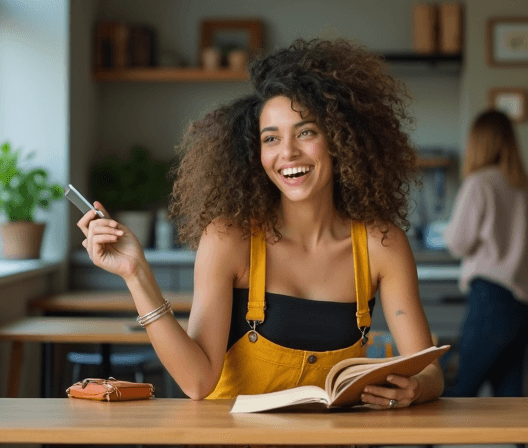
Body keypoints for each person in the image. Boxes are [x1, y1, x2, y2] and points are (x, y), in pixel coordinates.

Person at [76, 38, 443, 408]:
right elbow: (198, 382)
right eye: (271, 138)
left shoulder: (382, 245)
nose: (288, 153)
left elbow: (429, 370)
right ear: (257, 153)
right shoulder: (228, 239)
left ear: (340, 139)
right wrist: (136, 273)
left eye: (306, 132)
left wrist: (417, 389)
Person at [442, 109, 528, 398]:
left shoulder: (480, 183)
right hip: (525, 309)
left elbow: (457, 244)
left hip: (492, 301)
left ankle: (429, 444)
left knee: (458, 391)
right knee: (509, 402)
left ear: (478, 143)